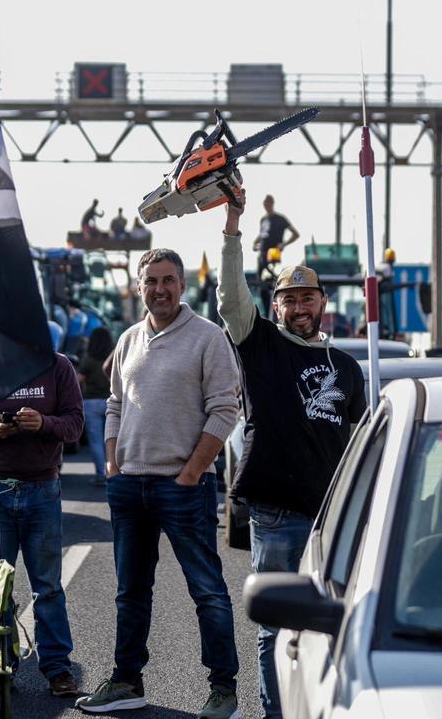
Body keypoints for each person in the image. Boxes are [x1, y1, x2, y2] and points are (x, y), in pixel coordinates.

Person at [218, 187, 366, 718]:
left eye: (308, 298)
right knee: (275, 631)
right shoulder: (259, 343)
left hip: (334, 518)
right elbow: (231, 297)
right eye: (289, 299)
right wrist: (234, 225)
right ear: (276, 305)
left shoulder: (347, 367)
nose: (299, 306)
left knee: (338, 624)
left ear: (323, 303)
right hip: (277, 514)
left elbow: (356, 444)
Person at [75, 249, 241, 719]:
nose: (160, 289)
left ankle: (223, 689)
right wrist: (112, 462)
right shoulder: (128, 340)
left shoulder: (209, 338)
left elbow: (225, 408)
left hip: (183, 487)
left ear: (183, 285)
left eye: (168, 280)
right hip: (130, 487)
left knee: (206, 590)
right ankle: (127, 681)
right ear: (139, 286)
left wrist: (190, 473)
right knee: (130, 592)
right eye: (151, 281)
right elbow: (112, 404)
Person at [0, 346, 85, 698]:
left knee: (48, 587)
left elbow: (75, 424)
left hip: (42, 489)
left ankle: (58, 669)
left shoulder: (58, 366)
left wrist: (44, 424)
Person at [77, 326, 114, 485]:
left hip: (90, 402)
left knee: (96, 441)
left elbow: (78, 380)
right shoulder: (114, 356)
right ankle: (113, 472)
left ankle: (101, 474)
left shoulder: (88, 358)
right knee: (112, 439)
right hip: (112, 401)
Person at [252, 195, 299, 281]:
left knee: (273, 275)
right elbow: (263, 234)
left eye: (268, 203)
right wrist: (255, 243)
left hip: (273, 252)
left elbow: (295, 234)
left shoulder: (280, 218)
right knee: (259, 277)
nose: (266, 206)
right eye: (265, 204)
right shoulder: (263, 219)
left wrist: (284, 244)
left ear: (272, 203)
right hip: (262, 252)